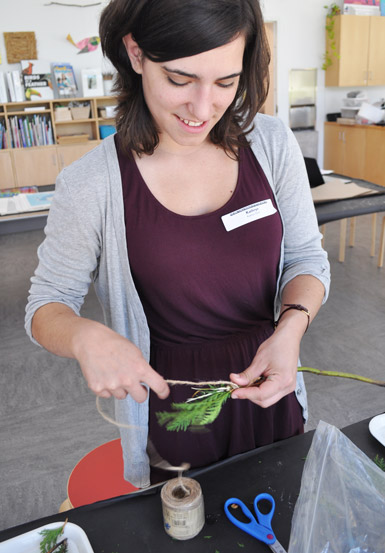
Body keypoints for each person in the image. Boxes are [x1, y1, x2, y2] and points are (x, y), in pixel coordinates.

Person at [25, 0, 330, 488]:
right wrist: (85, 337)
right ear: (136, 53)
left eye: (226, 83)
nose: (203, 107)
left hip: (269, 388)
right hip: (171, 407)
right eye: (181, 79)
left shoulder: (271, 144)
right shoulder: (91, 184)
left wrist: (291, 330)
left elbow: (306, 258)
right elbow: (47, 305)